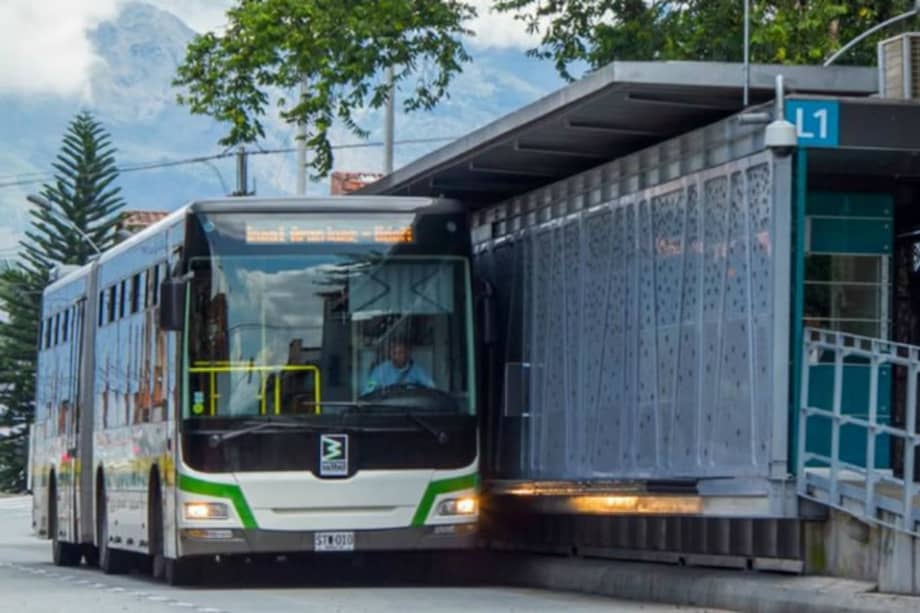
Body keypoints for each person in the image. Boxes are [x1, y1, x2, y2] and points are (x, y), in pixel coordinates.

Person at [364, 340, 434, 394]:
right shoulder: (380, 370)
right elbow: (369, 389)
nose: (396, 357)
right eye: (394, 353)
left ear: (408, 353)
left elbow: (431, 388)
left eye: (400, 353)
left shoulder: (418, 370)